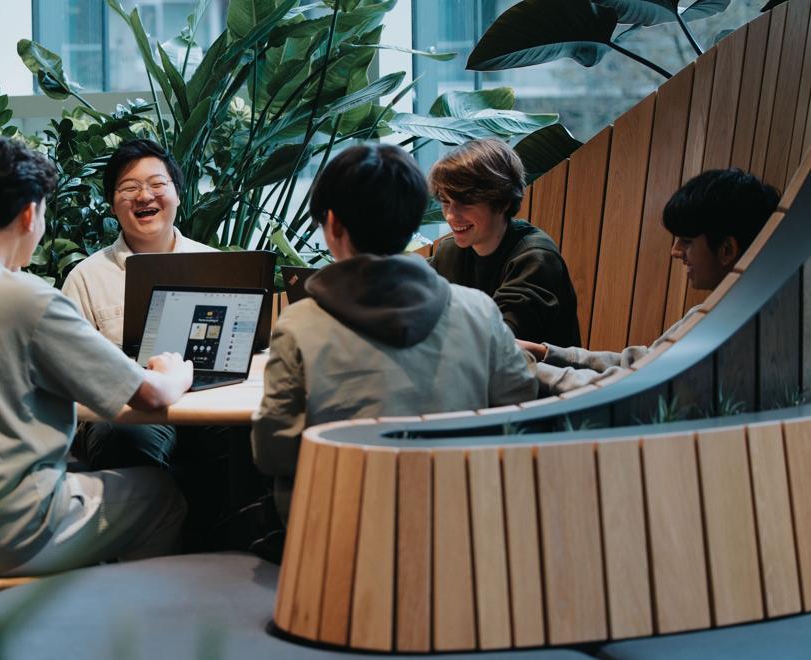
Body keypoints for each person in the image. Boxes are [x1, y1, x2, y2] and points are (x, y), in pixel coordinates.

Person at [0, 136, 193, 577]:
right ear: (29, 215)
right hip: (4, 533)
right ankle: (121, 631)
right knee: (163, 495)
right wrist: (173, 372)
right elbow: (149, 396)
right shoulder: (30, 300)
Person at [252, 143, 538, 522]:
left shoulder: (299, 324)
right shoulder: (479, 311)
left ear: (333, 223)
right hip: (462, 526)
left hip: (338, 537)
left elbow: (274, 452)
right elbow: (518, 406)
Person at [521, 168, 780, 395]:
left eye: (687, 242)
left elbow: (630, 385)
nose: (675, 251)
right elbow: (640, 362)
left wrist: (523, 365)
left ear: (727, 249)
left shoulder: (729, 330)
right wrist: (543, 352)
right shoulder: (723, 309)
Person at [62, 139, 215, 470]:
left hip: (212, 406)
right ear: (112, 205)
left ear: (178, 194)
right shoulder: (85, 279)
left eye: (158, 185)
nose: (145, 196)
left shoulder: (217, 266)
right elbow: (71, 378)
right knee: (127, 437)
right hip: (126, 413)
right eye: (129, 188)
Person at [428, 138, 581, 347]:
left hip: (540, 377)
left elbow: (501, 341)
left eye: (465, 202)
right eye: (446, 201)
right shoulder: (450, 252)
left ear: (502, 200)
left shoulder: (535, 257)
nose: (451, 216)